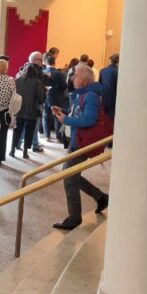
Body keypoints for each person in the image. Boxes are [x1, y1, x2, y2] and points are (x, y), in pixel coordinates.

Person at [52, 64, 110, 229]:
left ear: (84, 80)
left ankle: (74, 218)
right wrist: (63, 112)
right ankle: (101, 197)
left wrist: (65, 120)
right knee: (71, 175)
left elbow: (89, 120)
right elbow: (78, 114)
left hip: (82, 142)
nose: (72, 78)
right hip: (76, 140)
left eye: (75, 75)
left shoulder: (90, 95)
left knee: (69, 179)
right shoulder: (82, 94)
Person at [12, 64, 47, 158]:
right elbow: (41, 98)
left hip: (19, 109)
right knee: (29, 131)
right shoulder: (37, 82)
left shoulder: (17, 81)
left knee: (17, 130)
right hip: (32, 110)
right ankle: (25, 152)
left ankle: (12, 150)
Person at [43, 53, 68, 143]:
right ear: (54, 62)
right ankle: (58, 137)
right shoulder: (59, 73)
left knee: (46, 116)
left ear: (46, 62)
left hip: (46, 97)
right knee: (57, 116)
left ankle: (47, 136)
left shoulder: (43, 72)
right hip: (57, 97)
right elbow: (64, 86)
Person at [100, 54, 119, 119]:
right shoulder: (118, 71)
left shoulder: (103, 70)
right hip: (114, 99)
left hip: (104, 98)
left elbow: (100, 84)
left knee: (105, 118)